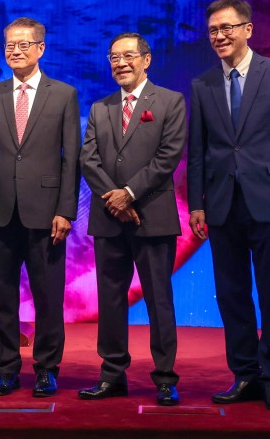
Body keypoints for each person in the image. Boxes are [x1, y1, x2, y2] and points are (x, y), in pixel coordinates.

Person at [0, 17, 80, 398]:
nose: (15, 51)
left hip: (47, 214)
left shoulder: (63, 94)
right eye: (9, 45)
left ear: (40, 48)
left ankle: (47, 369)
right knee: (2, 297)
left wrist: (66, 210)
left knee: (48, 297)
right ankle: (6, 368)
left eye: (23, 45)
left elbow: (72, 159)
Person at [78, 33, 184, 406]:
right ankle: (112, 374)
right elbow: (87, 159)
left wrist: (130, 194)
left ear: (146, 60)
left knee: (159, 299)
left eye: (127, 56)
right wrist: (115, 199)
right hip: (109, 220)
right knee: (109, 299)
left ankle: (166, 378)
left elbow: (168, 156)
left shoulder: (170, 101)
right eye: (113, 57)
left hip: (152, 217)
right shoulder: (100, 107)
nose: (120, 63)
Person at [188, 0, 270, 409]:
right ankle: (244, 374)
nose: (219, 37)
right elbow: (198, 149)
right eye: (213, 31)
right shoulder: (202, 85)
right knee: (231, 293)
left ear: (248, 29)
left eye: (227, 28)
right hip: (221, 205)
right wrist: (198, 204)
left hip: (266, 199)